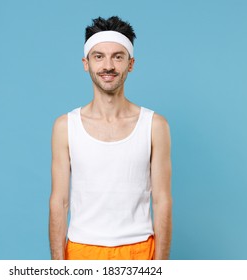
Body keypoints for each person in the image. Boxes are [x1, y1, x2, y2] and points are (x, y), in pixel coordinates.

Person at [49, 16, 172, 260]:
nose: (108, 65)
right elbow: (59, 202)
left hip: (139, 250)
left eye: (118, 56)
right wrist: (57, 266)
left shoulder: (155, 125)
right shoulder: (66, 126)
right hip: (81, 251)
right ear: (86, 63)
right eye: (99, 56)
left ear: (131, 64)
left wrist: (162, 266)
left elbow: (162, 201)